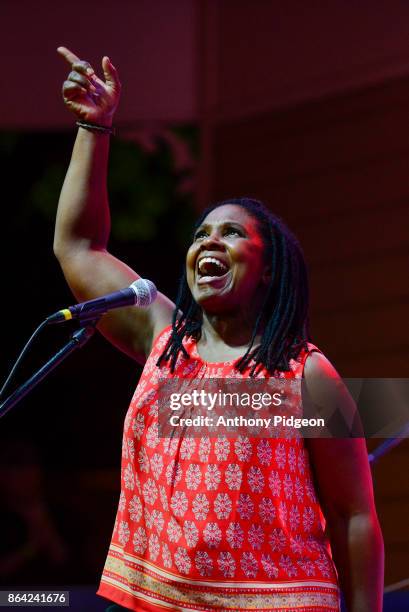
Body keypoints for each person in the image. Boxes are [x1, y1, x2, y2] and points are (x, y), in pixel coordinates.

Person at [55, 47, 384, 612]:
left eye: (231, 234)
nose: (209, 242)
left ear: (269, 267)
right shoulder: (162, 338)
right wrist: (94, 126)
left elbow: (355, 518)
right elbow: (80, 247)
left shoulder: (307, 373)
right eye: (201, 234)